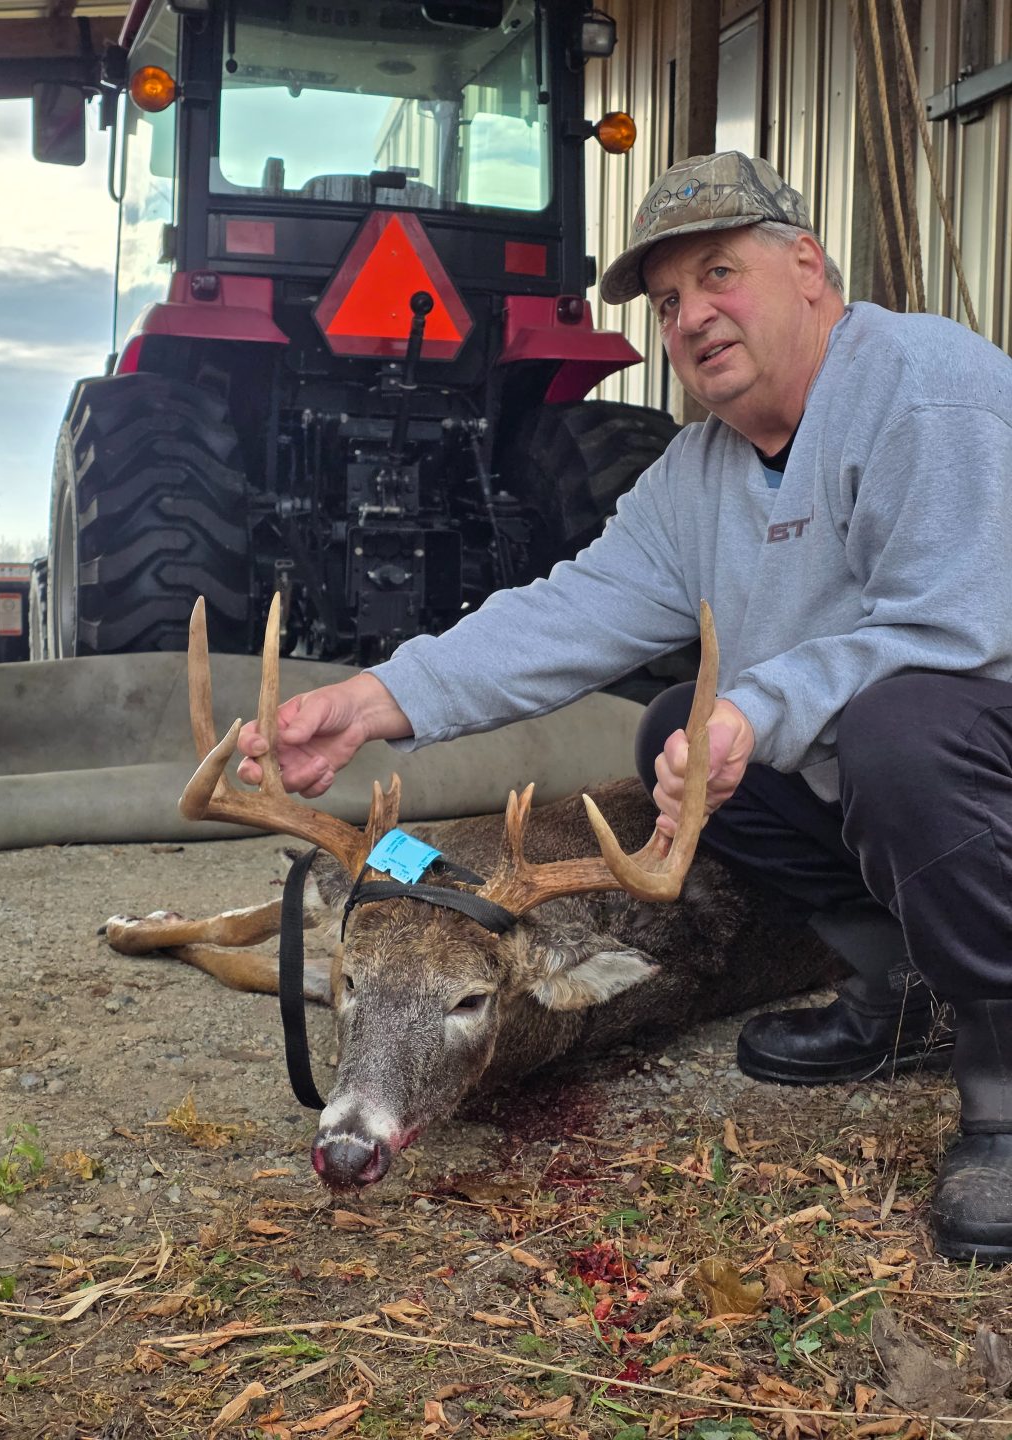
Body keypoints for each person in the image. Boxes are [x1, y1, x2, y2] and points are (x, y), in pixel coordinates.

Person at [238, 151, 1012, 1263]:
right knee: (673, 736)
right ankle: (901, 992)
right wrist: (376, 699)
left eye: (719, 274)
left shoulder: (927, 390)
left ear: (807, 266)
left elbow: (956, 632)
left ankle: (1004, 1090)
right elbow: (573, 611)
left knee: (897, 733)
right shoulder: (703, 471)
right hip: (928, 774)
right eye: (667, 300)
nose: (691, 316)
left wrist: (757, 708)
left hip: (981, 746)